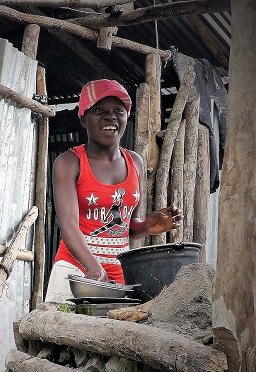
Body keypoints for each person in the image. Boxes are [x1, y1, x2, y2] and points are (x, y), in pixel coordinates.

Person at [45, 79, 183, 303]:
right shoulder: (69, 162)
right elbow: (69, 227)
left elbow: (127, 228)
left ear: (126, 117)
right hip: (75, 273)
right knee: (59, 334)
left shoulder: (135, 162)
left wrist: (148, 226)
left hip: (119, 275)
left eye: (118, 110)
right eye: (99, 110)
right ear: (83, 118)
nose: (110, 117)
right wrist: (94, 270)